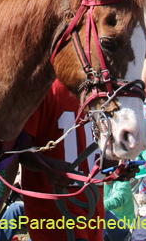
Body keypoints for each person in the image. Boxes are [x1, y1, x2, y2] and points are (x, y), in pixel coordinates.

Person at [21, 79, 106, 241]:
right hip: (56, 217)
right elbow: (19, 149)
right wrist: (47, 167)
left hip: (93, 214)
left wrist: (118, 166)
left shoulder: (99, 91)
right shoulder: (41, 88)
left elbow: (100, 154)